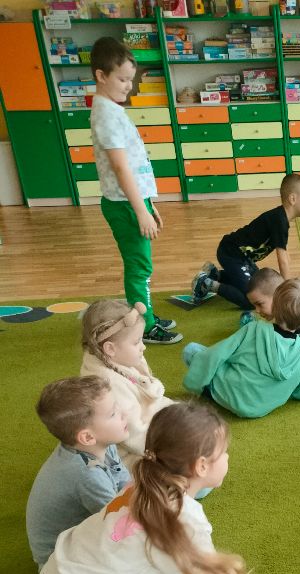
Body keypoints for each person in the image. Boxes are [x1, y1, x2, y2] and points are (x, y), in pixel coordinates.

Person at [35, 402, 298, 574]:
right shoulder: (183, 522)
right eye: (224, 453)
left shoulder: (148, 479)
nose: (228, 457)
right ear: (201, 466)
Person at [89, 36, 181, 345]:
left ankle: (146, 314)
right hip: (125, 204)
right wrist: (140, 211)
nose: (129, 86)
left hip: (132, 201)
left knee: (142, 265)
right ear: (101, 76)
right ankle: (145, 325)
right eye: (122, 79)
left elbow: (134, 165)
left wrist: (147, 203)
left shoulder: (111, 110)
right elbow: (120, 167)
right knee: (140, 267)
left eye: (131, 79)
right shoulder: (105, 114)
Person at [182, 278, 300, 419]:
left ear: (275, 306)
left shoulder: (254, 329)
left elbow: (215, 355)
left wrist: (194, 384)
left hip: (231, 398)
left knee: (192, 350)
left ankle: (209, 392)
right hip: (258, 409)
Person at [26, 376, 131, 569]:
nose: (124, 413)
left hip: (82, 537)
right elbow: (118, 521)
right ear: (88, 437)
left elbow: (124, 482)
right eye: (113, 413)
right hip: (59, 563)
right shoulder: (88, 476)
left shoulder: (101, 445)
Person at [190, 173, 300, 311]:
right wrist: (287, 291)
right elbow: (282, 260)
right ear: (293, 199)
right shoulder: (279, 220)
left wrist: (289, 281)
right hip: (231, 253)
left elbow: (285, 254)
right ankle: (207, 283)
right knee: (254, 300)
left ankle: (216, 275)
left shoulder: (282, 220)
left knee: (260, 288)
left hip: (243, 258)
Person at [80, 300, 175, 469]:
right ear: (110, 349)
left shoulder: (115, 358)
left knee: (190, 419)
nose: (143, 347)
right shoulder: (109, 386)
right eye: (136, 342)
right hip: (129, 453)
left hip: (145, 422)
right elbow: (134, 437)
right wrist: (174, 444)